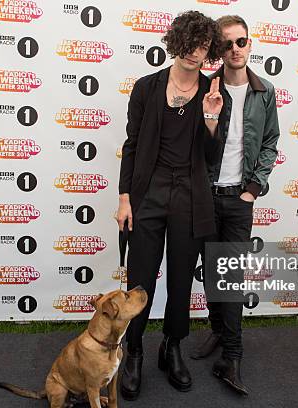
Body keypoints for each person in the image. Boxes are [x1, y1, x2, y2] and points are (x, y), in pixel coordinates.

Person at [115, 10, 224, 400]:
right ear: (177, 41)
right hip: (149, 191)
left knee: (180, 277)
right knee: (140, 277)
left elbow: (213, 156)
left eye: (205, 46)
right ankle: (135, 351)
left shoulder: (214, 91)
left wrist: (211, 118)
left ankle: (172, 345)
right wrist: (125, 197)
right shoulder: (146, 88)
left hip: (191, 195)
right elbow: (131, 144)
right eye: (192, 44)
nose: (197, 52)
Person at [191, 15, 280, 396]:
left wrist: (254, 188)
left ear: (250, 43)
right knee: (212, 273)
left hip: (239, 200)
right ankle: (216, 330)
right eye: (226, 44)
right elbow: (194, 140)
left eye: (240, 42)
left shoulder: (265, 91)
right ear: (218, 50)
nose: (235, 49)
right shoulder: (204, 88)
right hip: (204, 196)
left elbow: (271, 141)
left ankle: (232, 356)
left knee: (230, 277)